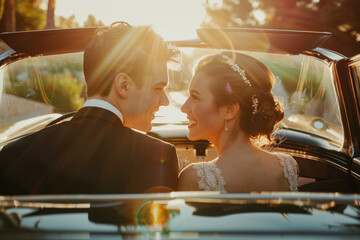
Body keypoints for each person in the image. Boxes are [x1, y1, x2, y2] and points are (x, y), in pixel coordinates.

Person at [0, 22, 179, 194]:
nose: (165, 101)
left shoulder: (14, 154)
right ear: (123, 85)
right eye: (158, 88)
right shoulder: (158, 158)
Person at [178, 52, 298, 193]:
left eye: (195, 97)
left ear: (229, 110)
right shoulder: (286, 167)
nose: (184, 107)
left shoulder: (194, 177)